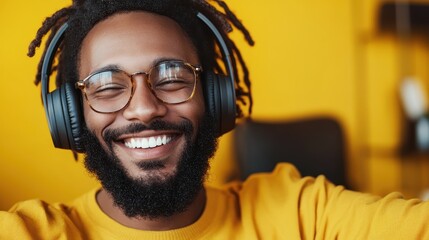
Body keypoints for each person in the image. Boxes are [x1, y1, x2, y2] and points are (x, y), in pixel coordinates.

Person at [0, 0, 428, 239]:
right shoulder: (31, 233)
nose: (145, 108)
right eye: (107, 85)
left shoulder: (300, 213)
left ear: (216, 98)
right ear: (71, 115)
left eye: (171, 77)